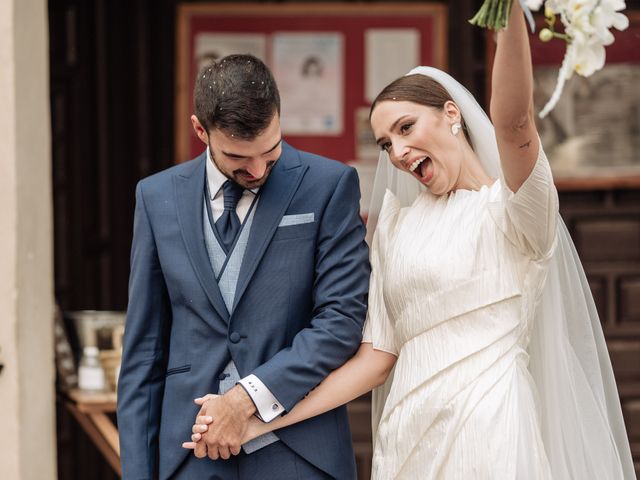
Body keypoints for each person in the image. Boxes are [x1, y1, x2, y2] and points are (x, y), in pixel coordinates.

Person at [186, 4, 635, 479]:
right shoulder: (397, 227)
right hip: (407, 438)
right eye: (385, 144)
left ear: (451, 115)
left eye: (405, 128)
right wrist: (259, 421)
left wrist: (510, 15)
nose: (398, 153)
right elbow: (376, 360)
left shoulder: (515, 212)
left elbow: (515, 121)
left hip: (490, 430)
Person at [117, 54, 370, 479]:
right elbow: (144, 352)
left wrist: (246, 397)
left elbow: (341, 320)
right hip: (188, 457)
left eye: (269, 153)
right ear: (201, 130)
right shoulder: (156, 197)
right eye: (238, 157)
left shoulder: (329, 186)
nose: (257, 170)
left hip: (298, 453)